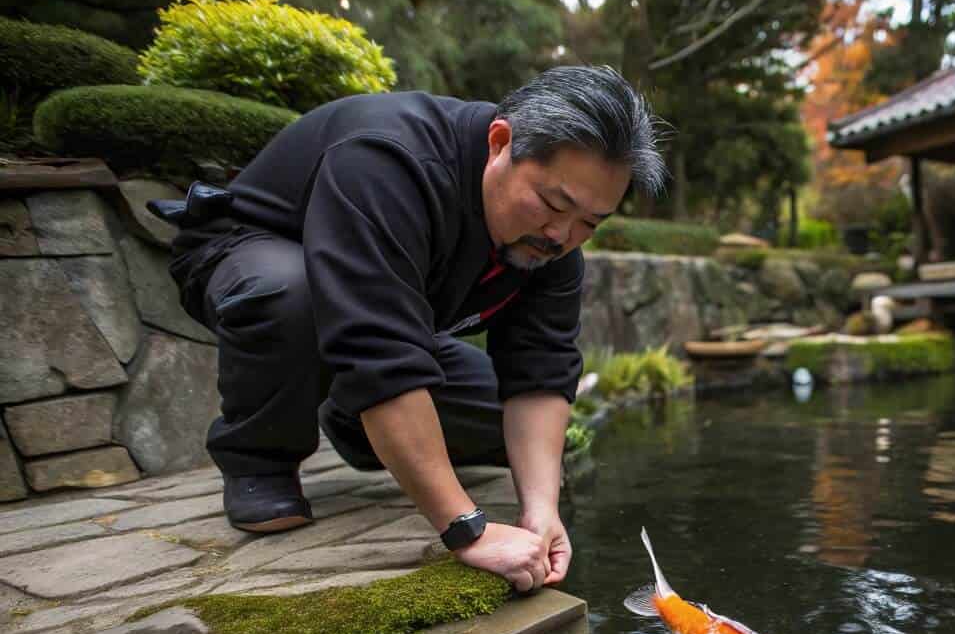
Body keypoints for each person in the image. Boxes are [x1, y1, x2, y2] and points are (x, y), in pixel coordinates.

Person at [167, 66, 667, 594]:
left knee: (493, 416)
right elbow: (378, 350)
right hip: (257, 258)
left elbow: (541, 368)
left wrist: (540, 511)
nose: (562, 235)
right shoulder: (385, 160)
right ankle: (259, 460)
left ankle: (360, 424)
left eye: (591, 222)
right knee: (295, 294)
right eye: (554, 203)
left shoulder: (555, 241)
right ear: (500, 143)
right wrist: (465, 528)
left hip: (385, 315)